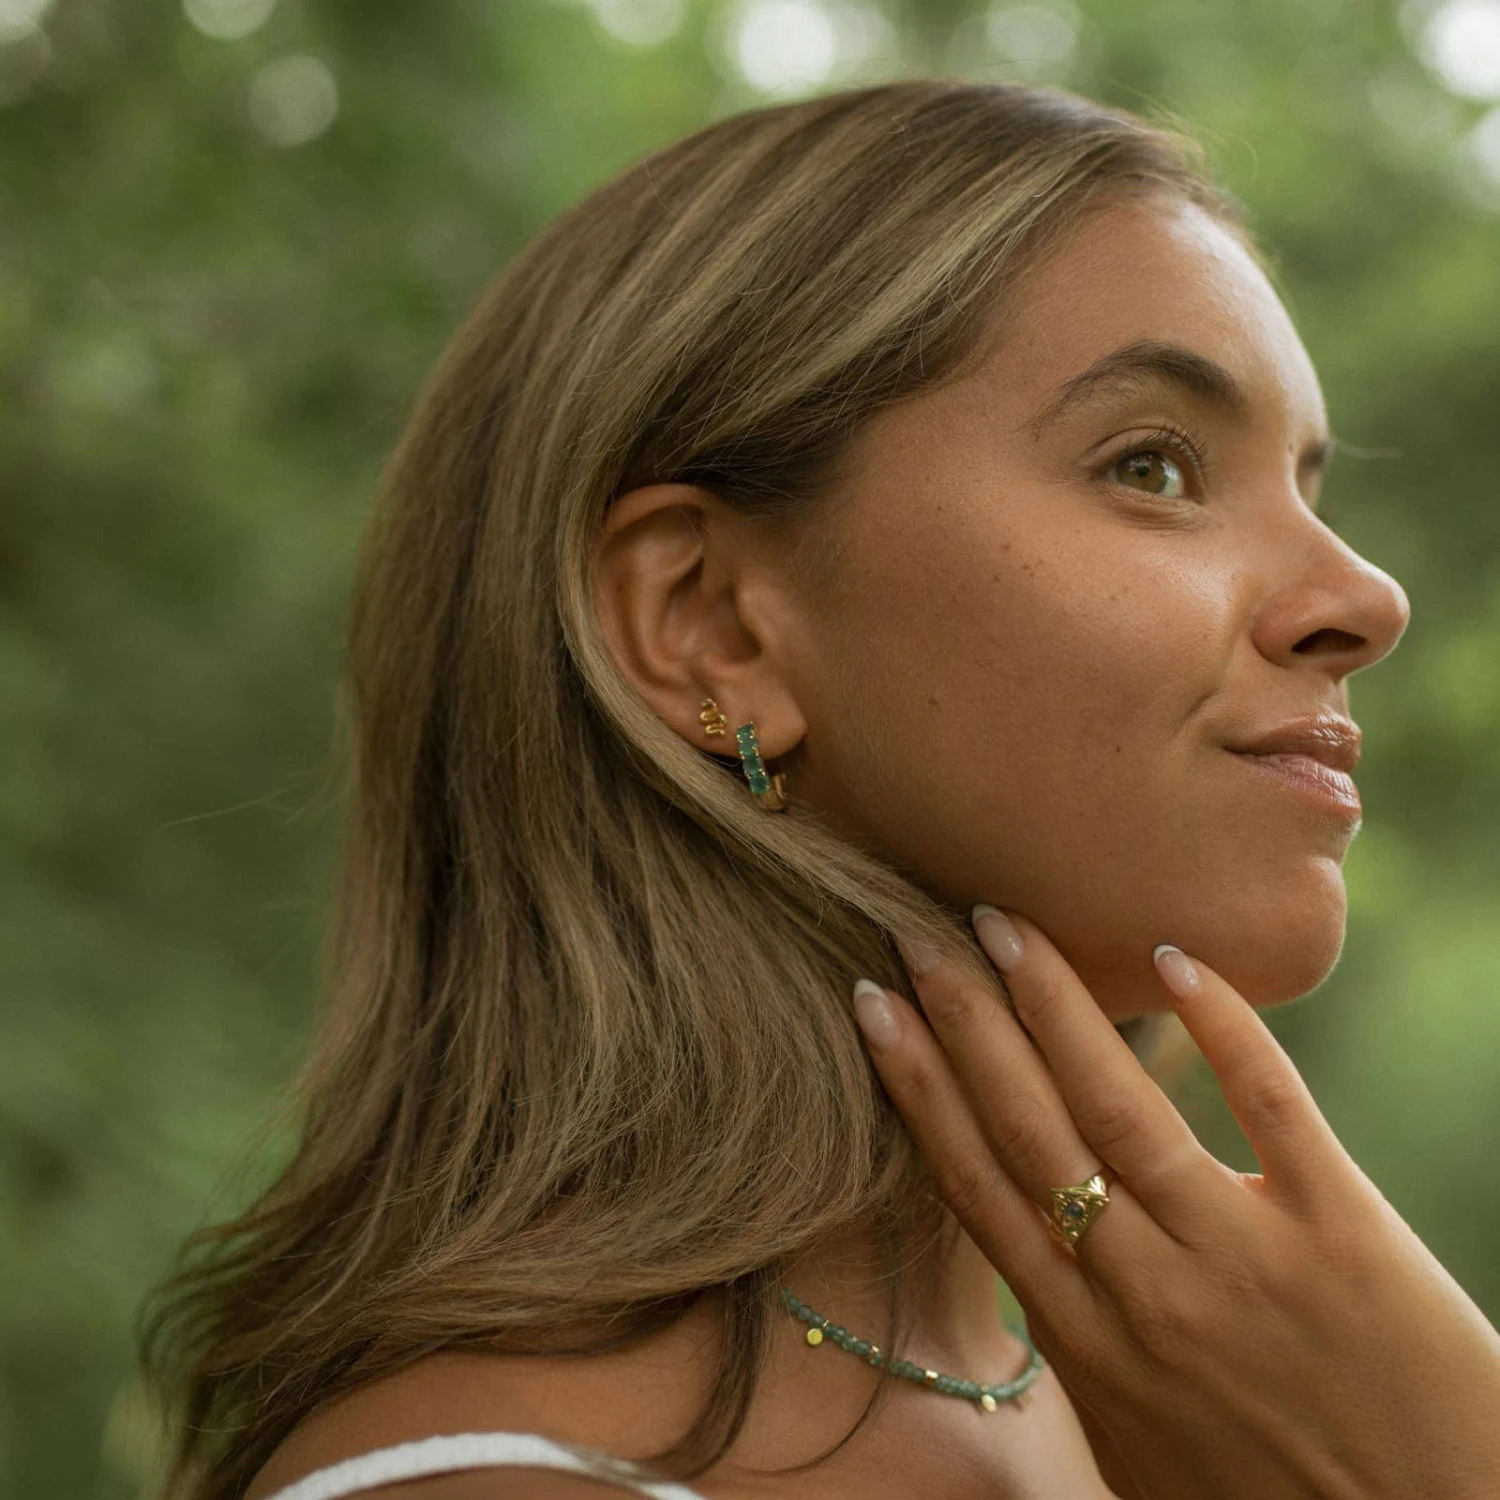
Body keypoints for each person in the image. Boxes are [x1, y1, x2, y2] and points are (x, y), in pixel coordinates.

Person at [145, 78, 1500, 1500]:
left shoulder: (1207, 1444)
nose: (1366, 597)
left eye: (1310, 485)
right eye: (1152, 465)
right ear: (708, 623)